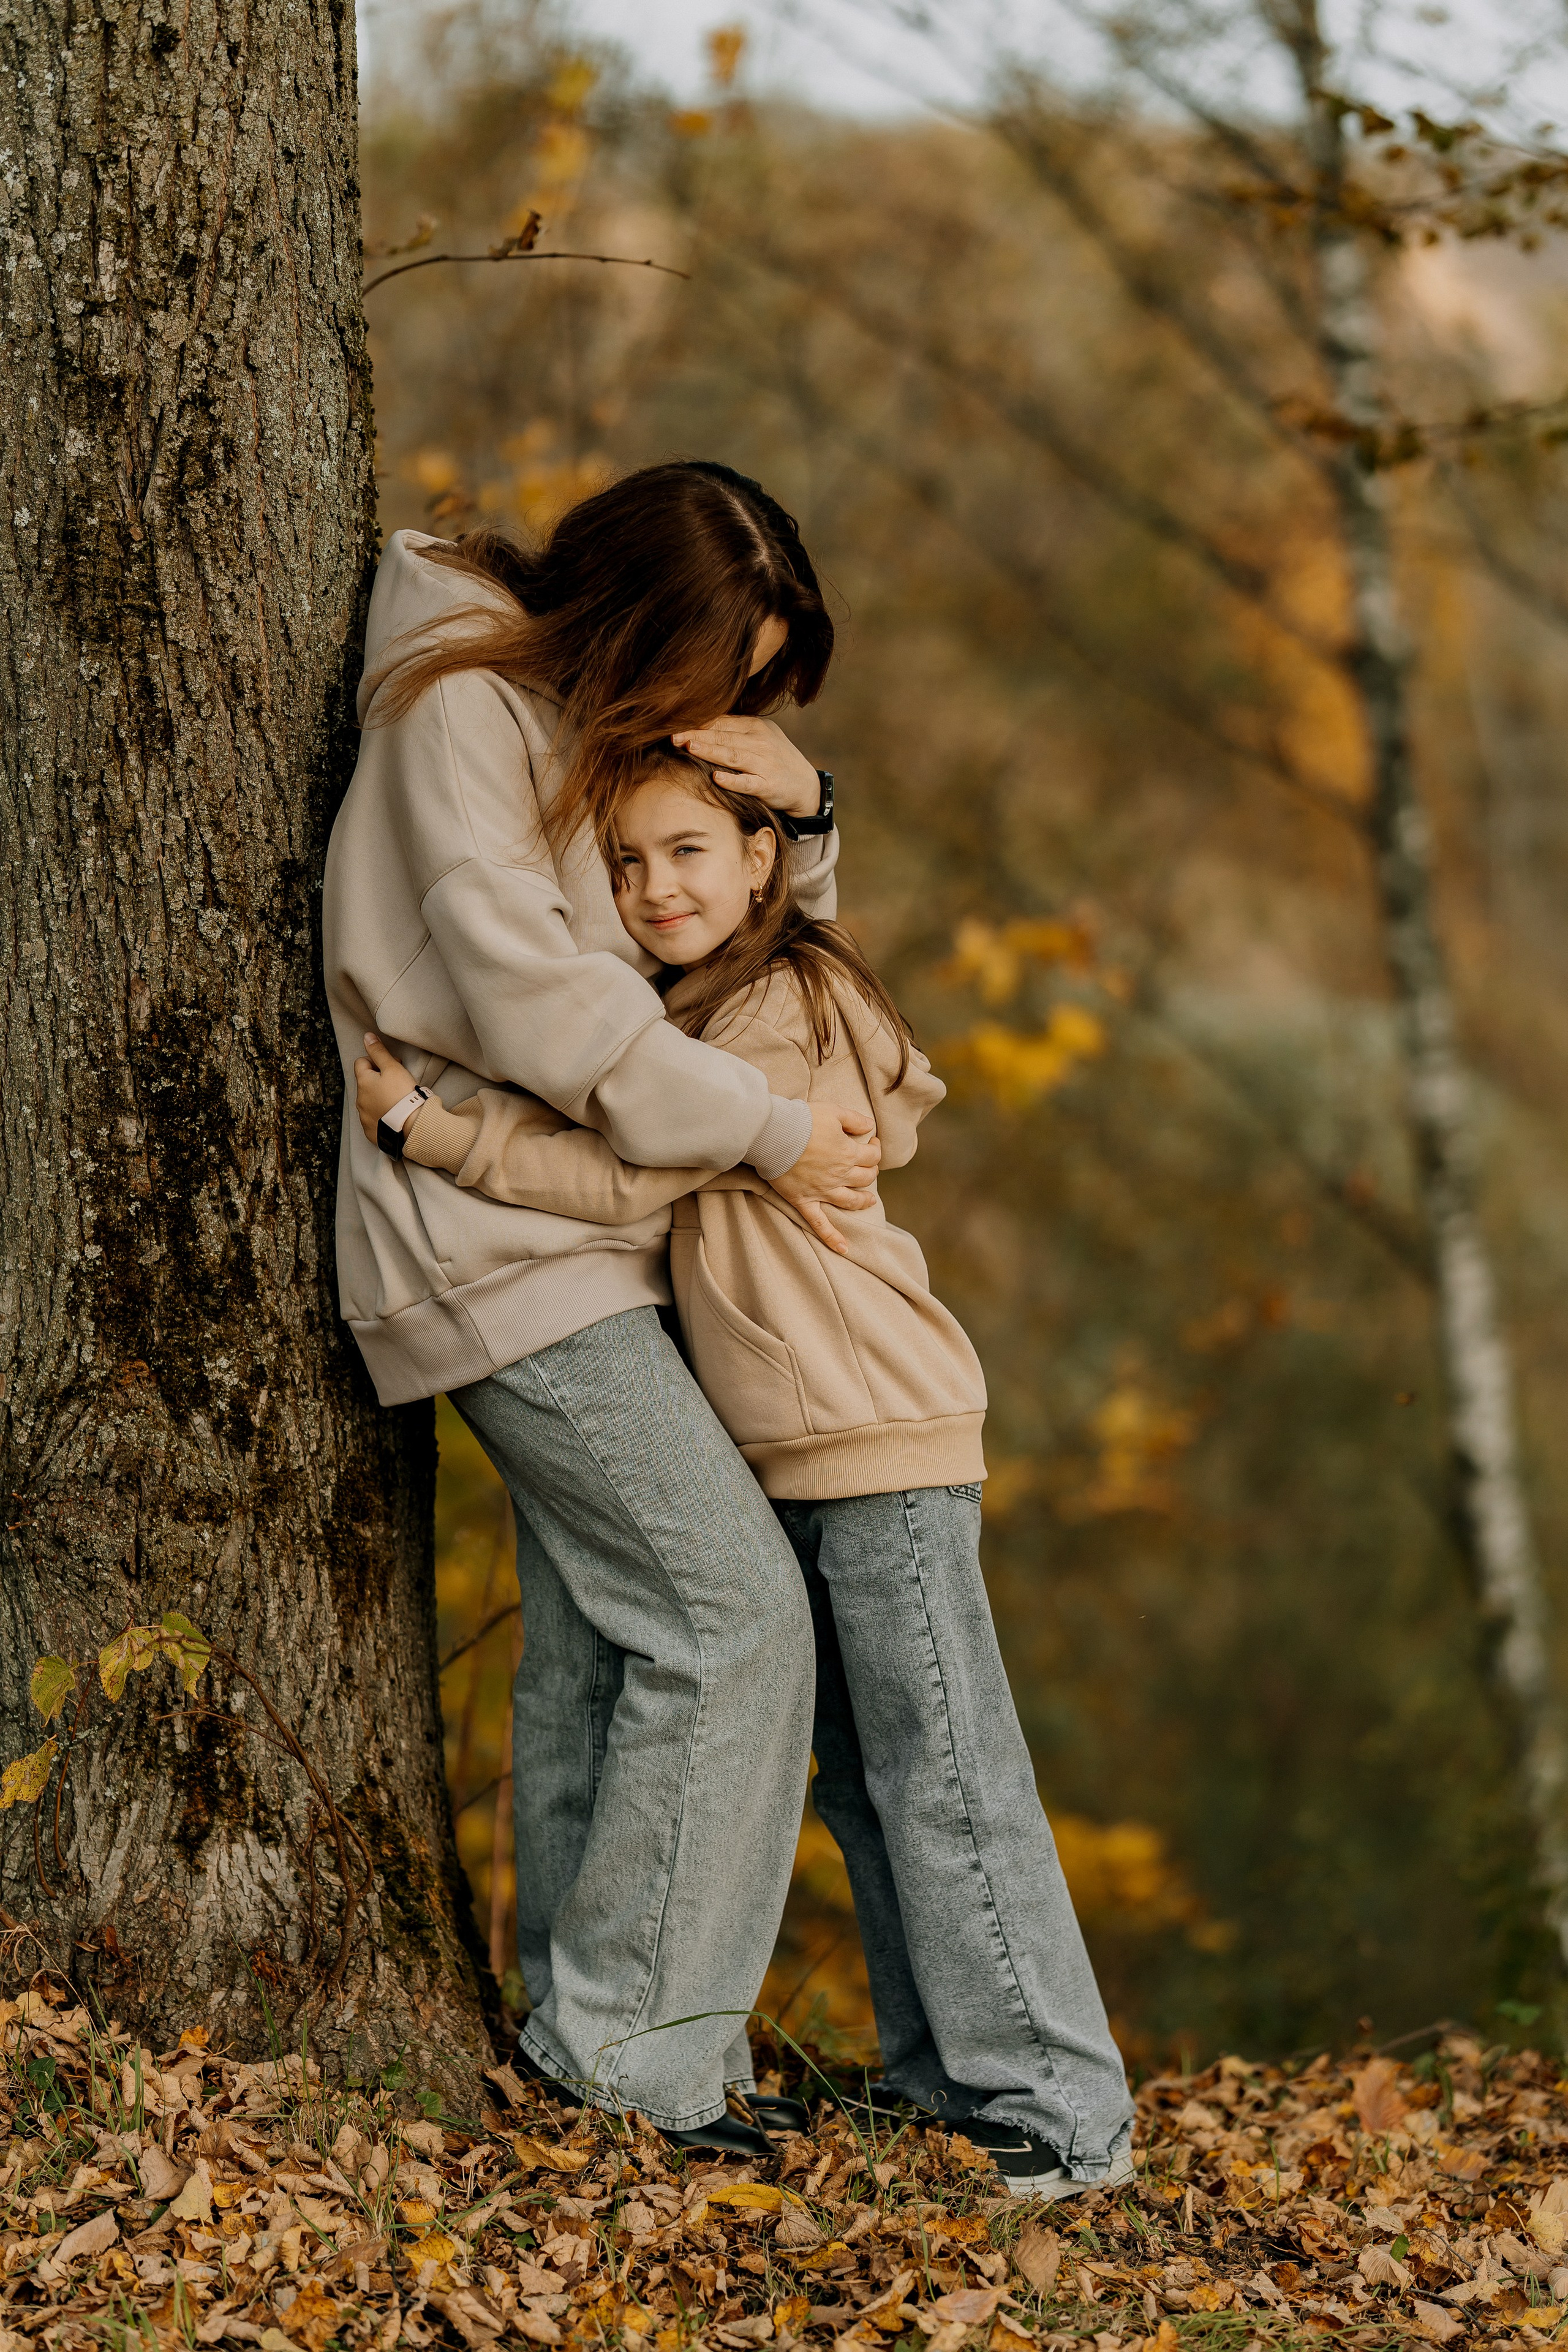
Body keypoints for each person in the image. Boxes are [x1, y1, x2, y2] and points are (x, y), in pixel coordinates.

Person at [354, 745, 1137, 2199]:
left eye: (689, 854)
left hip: (876, 1432)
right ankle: (941, 2078)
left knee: (945, 1770)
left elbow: (630, 1171)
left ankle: (1062, 2107)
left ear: (763, 860)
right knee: (862, 1779)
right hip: (788, 1451)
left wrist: (430, 1133)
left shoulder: (784, 1005)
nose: (654, 888)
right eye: (629, 863)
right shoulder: (691, 1007)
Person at [322, 463, 886, 2157]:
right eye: (714, 675)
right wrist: (774, 1133)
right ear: (640, 622)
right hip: (486, 1240)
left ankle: (593, 2040)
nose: (714, 718)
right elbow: (544, 1001)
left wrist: (813, 819)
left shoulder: (582, 721)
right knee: (736, 1620)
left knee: (605, 1643)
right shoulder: (464, 718)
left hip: (593, 1240)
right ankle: (643, 2064)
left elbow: (716, 944)